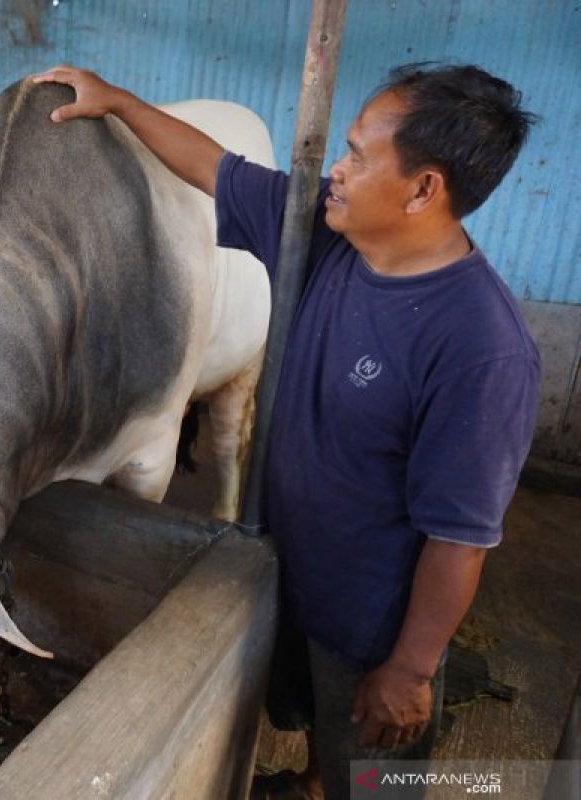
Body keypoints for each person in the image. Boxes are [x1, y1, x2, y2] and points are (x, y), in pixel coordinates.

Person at [32, 63, 540, 799]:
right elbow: (214, 168)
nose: (336, 168)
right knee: (313, 718)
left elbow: (459, 539)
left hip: (367, 617)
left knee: (370, 758)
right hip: (288, 565)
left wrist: (410, 669)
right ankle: (309, 783)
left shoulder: (480, 348)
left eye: (359, 155)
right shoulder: (328, 238)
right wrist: (118, 102)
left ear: (424, 189)